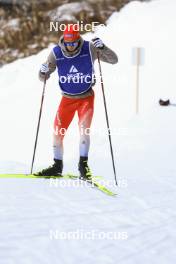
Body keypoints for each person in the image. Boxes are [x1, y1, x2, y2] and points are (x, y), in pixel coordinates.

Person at [36, 24, 118, 179]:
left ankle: (83, 166)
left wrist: (103, 48)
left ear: (78, 40)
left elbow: (114, 60)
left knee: (84, 131)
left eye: (73, 43)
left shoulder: (89, 48)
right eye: (68, 44)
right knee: (57, 133)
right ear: (64, 41)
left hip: (86, 98)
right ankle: (57, 166)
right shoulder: (56, 53)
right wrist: (42, 71)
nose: (71, 47)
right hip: (67, 99)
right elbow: (43, 78)